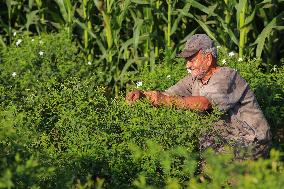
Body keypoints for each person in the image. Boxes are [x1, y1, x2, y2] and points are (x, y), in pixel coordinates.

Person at [126, 34, 272, 160]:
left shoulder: (226, 76)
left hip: (249, 143)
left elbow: (205, 104)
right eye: (186, 60)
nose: (187, 66)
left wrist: (164, 100)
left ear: (208, 59)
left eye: (191, 59)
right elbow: (167, 94)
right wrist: (143, 95)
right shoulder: (194, 80)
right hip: (221, 144)